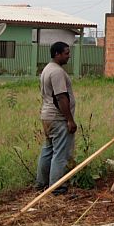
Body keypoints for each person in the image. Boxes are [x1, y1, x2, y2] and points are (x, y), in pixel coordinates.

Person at [36, 41, 77, 193]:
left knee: (48, 150)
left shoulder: (47, 69)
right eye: (66, 53)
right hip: (57, 117)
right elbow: (61, 97)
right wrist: (69, 120)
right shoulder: (57, 72)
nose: (69, 56)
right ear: (56, 54)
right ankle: (57, 187)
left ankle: (42, 183)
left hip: (47, 115)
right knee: (61, 153)